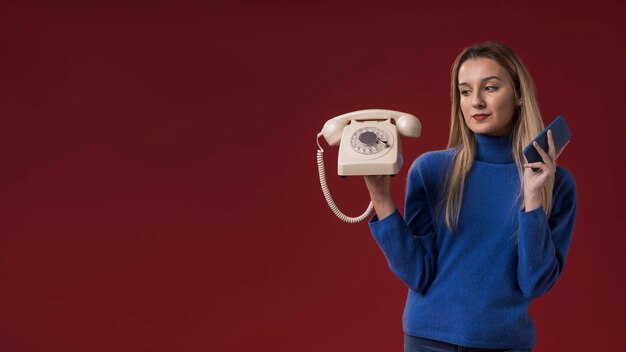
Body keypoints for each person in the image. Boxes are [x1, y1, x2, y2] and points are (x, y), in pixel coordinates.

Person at [363, 42, 577, 352]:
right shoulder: (431, 170)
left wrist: (532, 198)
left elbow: (535, 282)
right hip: (428, 340)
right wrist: (381, 197)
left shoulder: (557, 185)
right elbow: (418, 273)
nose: (476, 101)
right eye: (465, 91)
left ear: (518, 95)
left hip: (504, 344)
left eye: (490, 87)